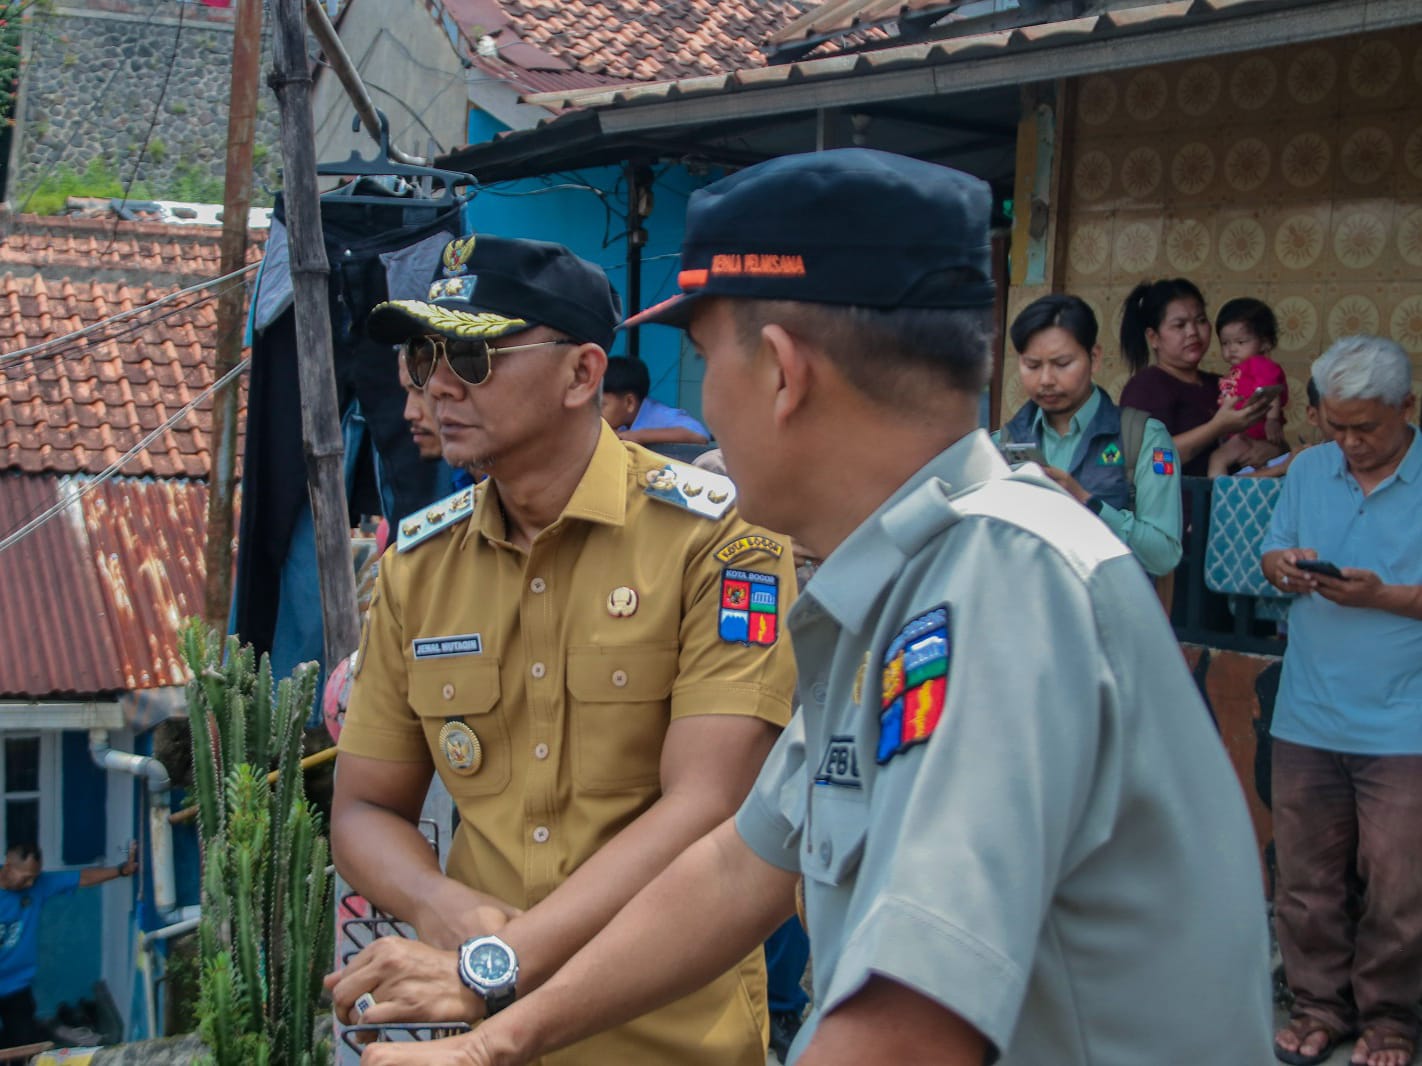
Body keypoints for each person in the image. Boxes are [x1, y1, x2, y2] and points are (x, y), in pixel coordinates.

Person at [356, 149, 1273, 1066]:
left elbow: (903, 1025)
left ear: (783, 374)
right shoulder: (899, 589)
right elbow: (739, 867)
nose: (701, 398)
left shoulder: (998, 578)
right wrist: (500, 1036)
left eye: (707, 357)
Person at [323, 233, 798, 1065]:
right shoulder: (419, 567)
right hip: (476, 1026)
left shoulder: (722, 541)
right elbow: (363, 808)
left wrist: (500, 963)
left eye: (472, 357)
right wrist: (442, 906)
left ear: (583, 374)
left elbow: (709, 807)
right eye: (425, 353)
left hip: (669, 1037)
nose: (437, 383)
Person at [1260, 336, 1422, 1066]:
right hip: (1308, 711)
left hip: (1405, 721)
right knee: (1305, 881)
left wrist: (1382, 596)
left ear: (1407, 408)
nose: (1350, 443)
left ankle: (1390, 1018)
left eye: (1368, 428)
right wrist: (1282, 566)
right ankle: (1319, 1005)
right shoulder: (1311, 469)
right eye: (1337, 425)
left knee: (1400, 883)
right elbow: (1272, 548)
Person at [996, 293, 1181, 576]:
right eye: (1032, 365)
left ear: (1094, 358)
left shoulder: (1143, 439)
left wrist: (1087, 502)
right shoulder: (1000, 445)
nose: (1046, 379)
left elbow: (1163, 556)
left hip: (1107, 614)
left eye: (1062, 364)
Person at [1119, 277, 1277, 477]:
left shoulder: (1223, 383)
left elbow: (1270, 434)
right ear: (1154, 337)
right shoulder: (1144, 387)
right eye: (1179, 325)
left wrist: (1271, 449)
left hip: (1231, 504)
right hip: (1176, 507)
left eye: (1201, 321)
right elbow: (1144, 460)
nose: (1193, 332)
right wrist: (1217, 427)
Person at [0, 841, 136, 1046]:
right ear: (8, 866)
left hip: (17, 986)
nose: (30, 884)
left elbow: (80, 878)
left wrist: (120, 870)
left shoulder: (39, 886)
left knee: (24, 1046)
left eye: (34, 878)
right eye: (26, 878)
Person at [1209, 297, 1289, 477]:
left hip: (1252, 434)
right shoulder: (1238, 370)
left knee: (1217, 459)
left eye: (1240, 342)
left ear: (1264, 343)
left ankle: (1217, 499)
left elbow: (1270, 390)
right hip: (1244, 433)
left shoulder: (1260, 364)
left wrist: (1272, 419)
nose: (1232, 349)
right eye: (1225, 343)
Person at [600, 355, 710, 445]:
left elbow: (699, 434)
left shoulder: (659, 416)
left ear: (629, 403)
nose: (596, 413)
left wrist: (638, 436)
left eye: (602, 405)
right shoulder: (622, 421)